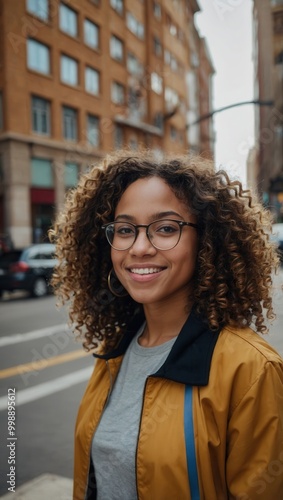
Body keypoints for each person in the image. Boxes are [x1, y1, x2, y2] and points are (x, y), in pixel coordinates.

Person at [50, 150, 283, 500]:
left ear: (206, 240)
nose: (140, 247)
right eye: (125, 229)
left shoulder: (251, 370)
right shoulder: (114, 350)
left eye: (165, 229)